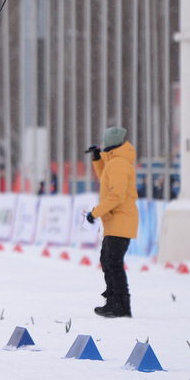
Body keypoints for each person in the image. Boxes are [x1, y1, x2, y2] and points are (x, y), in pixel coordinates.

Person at [83, 126, 138, 318]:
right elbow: (106, 179)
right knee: (108, 260)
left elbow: (116, 195)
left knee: (112, 262)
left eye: (104, 141)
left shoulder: (119, 164)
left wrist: (94, 213)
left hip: (120, 220)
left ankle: (120, 305)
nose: (102, 144)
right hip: (117, 222)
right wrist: (97, 158)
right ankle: (115, 302)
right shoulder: (115, 162)